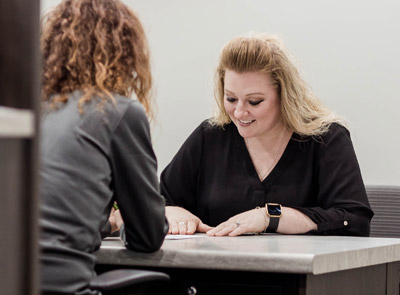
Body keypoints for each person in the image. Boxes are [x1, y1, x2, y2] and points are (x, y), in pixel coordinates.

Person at [161, 33, 373, 237]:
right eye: (231, 99)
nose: (240, 112)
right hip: (214, 271)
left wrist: (270, 216)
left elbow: (354, 220)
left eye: (254, 102)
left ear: (284, 95)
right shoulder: (209, 136)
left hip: (298, 272)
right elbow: (158, 199)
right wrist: (171, 211)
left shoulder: (326, 139)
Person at [39, 0, 168, 294]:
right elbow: (148, 236)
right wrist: (118, 220)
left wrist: (100, 221)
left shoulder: (28, 111)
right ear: (125, 51)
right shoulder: (117, 112)